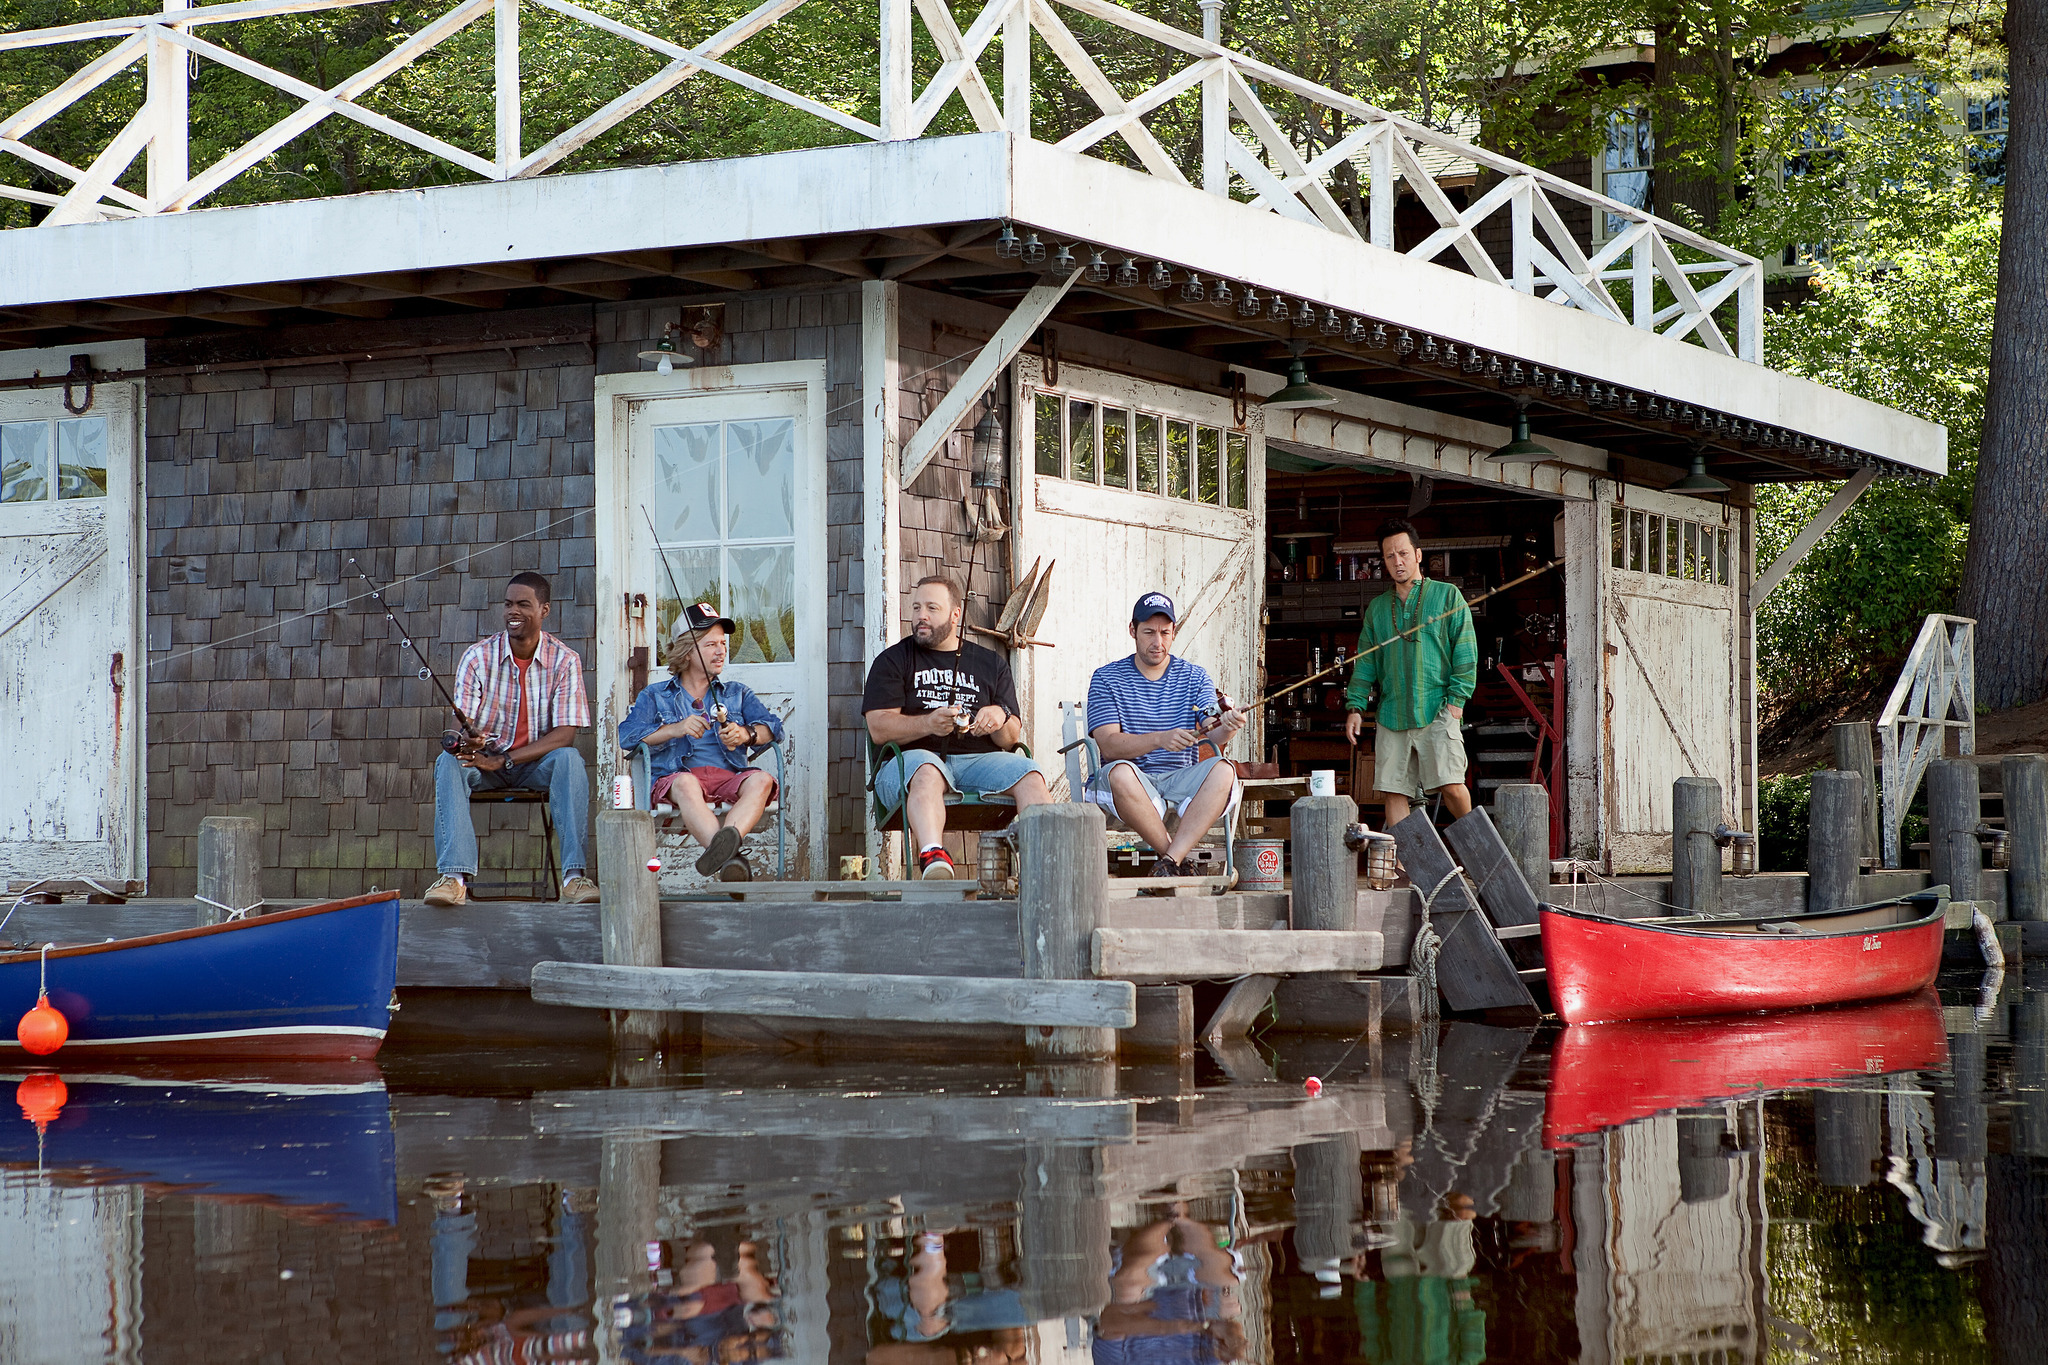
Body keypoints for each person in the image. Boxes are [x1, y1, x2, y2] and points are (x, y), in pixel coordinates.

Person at [424, 571, 598, 906]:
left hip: (533, 765)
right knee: (448, 762)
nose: (512, 612)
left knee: (570, 760)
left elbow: (566, 733)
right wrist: (468, 740)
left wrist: (505, 760)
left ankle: (574, 879)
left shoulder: (565, 660)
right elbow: (462, 726)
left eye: (522, 604)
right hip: (483, 762)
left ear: (544, 610)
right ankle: (454, 878)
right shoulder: (477, 657)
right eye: (507, 604)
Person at [862, 575, 1053, 879]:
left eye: (932, 608)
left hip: (979, 761)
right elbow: (879, 729)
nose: (921, 616)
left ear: (955, 615)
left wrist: (999, 717)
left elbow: (1010, 738)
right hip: (908, 762)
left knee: (1030, 773)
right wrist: (928, 723)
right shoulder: (893, 660)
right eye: (916, 608)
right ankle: (933, 856)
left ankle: (1046, 865)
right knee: (927, 770)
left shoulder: (991, 664)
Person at [618, 603, 784, 881]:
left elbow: (773, 728)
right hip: (678, 780)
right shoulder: (656, 695)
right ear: (687, 650)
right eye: (710, 645)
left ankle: (728, 859)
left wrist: (746, 734)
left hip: (727, 777)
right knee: (686, 783)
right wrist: (675, 729)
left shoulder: (736, 693)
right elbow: (628, 736)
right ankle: (732, 860)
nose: (721, 651)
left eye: (723, 643)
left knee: (762, 780)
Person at [1083, 592, 1244, 877]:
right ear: (1132, 630)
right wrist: (1159, 738)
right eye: (1148, 632)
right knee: (1119, 772)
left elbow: (1213, 733)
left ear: (1173, 633)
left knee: (1224, 771)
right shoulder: (1107, 677)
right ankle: (1176, 860)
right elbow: (1108, 745)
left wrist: (1227, 725)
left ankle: (1170, 861)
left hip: (1180, 780)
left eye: (1165, 633)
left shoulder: (1195, 676)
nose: (1158, 642)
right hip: (1132, 782)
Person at [1343, 519, 1478, 827]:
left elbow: (1466, 653)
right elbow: (1365, 662)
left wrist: (1457, 702)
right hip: (1392, 712)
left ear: (1418, 554)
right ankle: (1403, 871)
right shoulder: (1377, 608)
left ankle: (1482, 853)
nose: (1397, 561)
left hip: (1438, 708)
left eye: (1403, 553)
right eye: (1390, 556)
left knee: (1453, 785)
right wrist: (1355, 707)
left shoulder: (1447, 596)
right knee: (1394, 791)